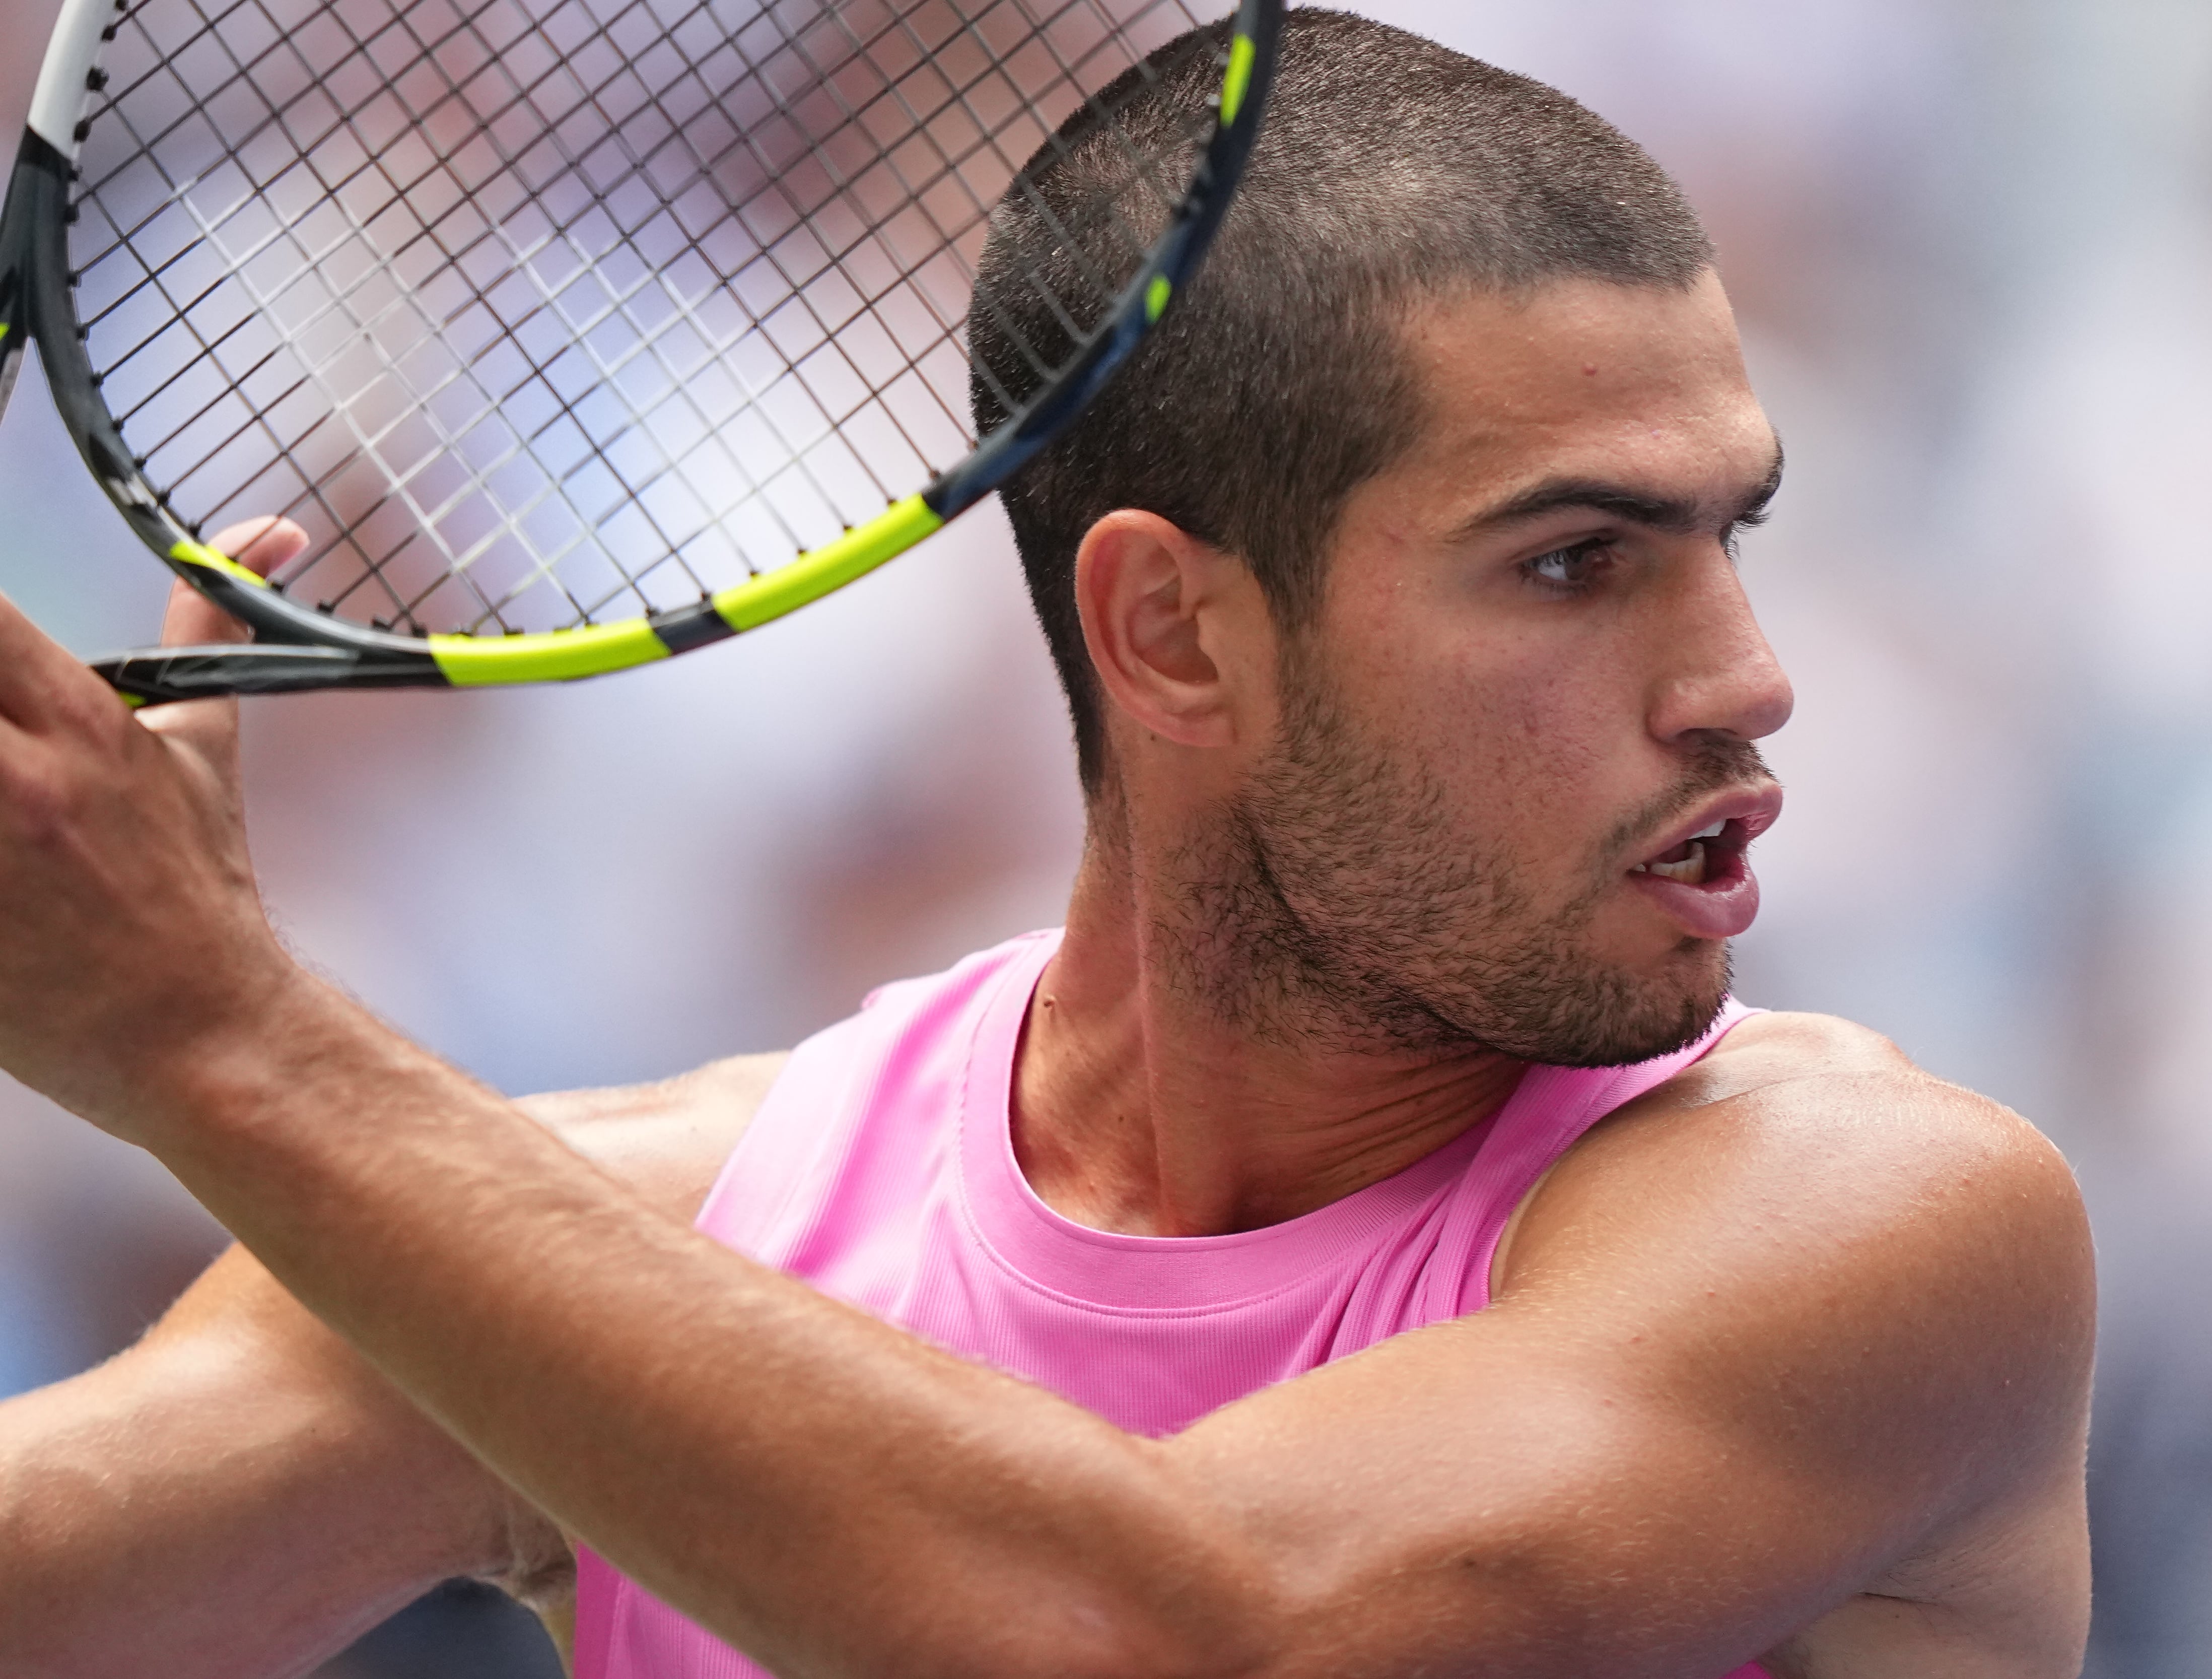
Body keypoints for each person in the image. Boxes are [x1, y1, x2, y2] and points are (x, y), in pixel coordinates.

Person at [0, 13, 2093, 1677]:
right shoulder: (644, 1230)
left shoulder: (1886, 1227)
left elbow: (1173, 1638)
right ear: (1172, 634)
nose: (1743, 676)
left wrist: (222, 1036)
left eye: (1728, 535)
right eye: (1571, 567)